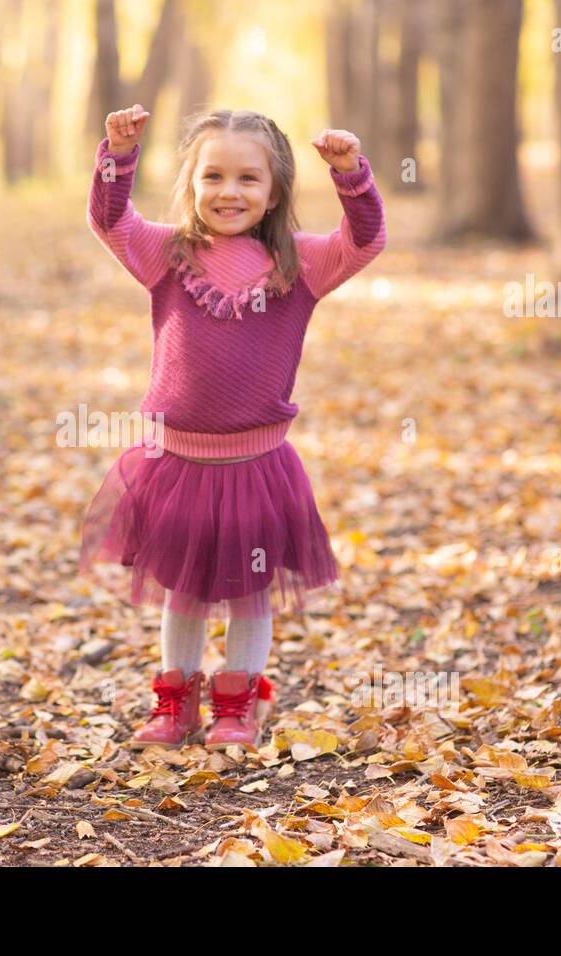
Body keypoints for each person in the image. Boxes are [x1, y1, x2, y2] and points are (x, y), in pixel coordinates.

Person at [78, 104, 387, 749]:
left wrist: (351, 174)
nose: (230, 191)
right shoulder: (166, 253)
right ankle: (174, 703)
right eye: (213, 176)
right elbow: (109, 219)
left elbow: (365, 241)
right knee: (183, 591)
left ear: (275, 192)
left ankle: (238, 703)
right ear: (191, 184)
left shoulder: (301, 263)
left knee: (251, 595)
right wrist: (118, 155)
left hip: (256, 468)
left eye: (249, 179)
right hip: (175, 466)